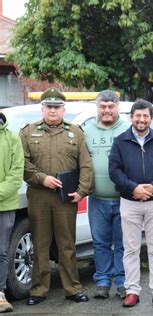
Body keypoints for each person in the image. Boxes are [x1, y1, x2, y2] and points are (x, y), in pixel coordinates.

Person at [20, 87, 93, 305]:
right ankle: (39, 290)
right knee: (40, 245)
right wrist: (41, 178)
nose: (53, 110)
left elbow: (86, 165)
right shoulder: (27, 132)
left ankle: (72, 289)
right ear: (42, 109)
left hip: (65, 198)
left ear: (63, 109)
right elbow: (22, 163)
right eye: (49, 107)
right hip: (39, 195)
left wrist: (81, 191)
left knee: (67, 244)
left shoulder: (76, 132)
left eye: (57, 107)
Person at [109, 99, 153, 307]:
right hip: (129, 201)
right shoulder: (120, 141)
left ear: (151, 118)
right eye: (138, 115)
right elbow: (114, 171)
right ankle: (132, 290)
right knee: (130, 248)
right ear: (131, 117)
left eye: (145, 116)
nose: (141, 119)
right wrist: (133, 188)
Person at [84, 90, 129, 299]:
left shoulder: (128, 129)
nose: (107, 110)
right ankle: (102, 281)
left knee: (123, 243)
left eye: (111, 106)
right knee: (100, 242)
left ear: (117, 107)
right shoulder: (87, 130)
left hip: (124, 199)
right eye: (103, 106)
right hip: (97, 199)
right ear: (97, 108)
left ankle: (122, 282)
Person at [0, 111, 24, 313]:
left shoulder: (12, 138)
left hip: (4, 205)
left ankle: (0, 294)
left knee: (1, 251)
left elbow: (16, 174)